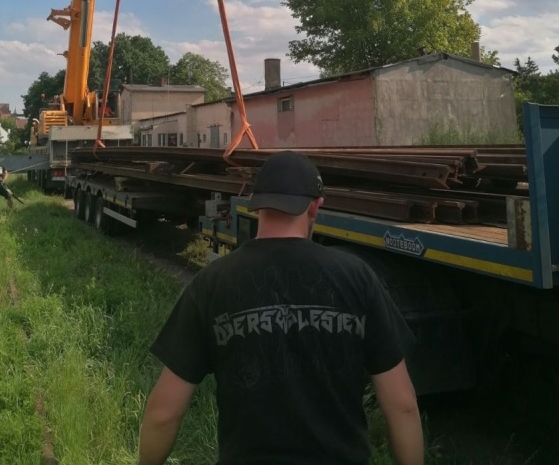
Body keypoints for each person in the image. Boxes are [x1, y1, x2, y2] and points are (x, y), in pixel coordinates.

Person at [138, 151, 424, 465]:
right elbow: (403, 406)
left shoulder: (212, 283)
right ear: (315, 206)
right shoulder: (357, 278)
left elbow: (164, 414)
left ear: (257, 205)